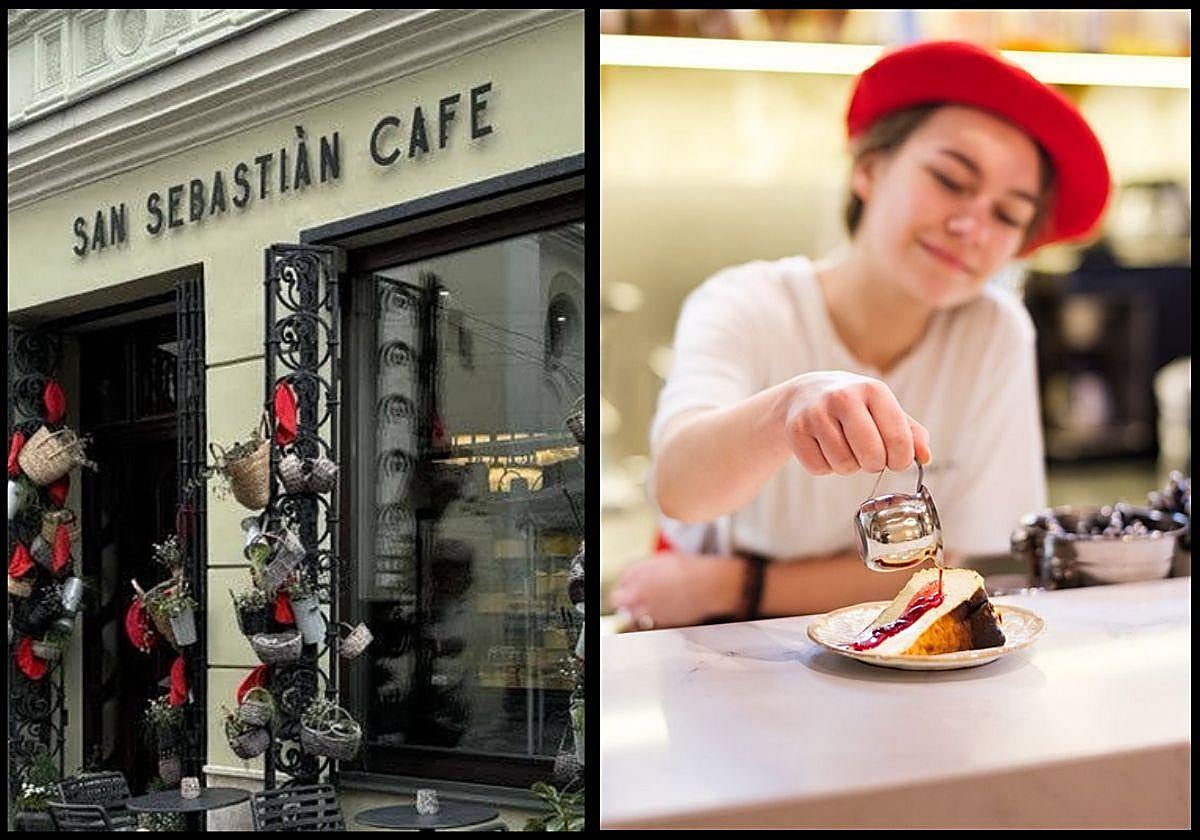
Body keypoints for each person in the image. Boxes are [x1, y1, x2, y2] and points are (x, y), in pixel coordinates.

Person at [611, 40, 1111, 630]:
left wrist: (733, 585)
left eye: (1007, 215)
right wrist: (786, 412)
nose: (971, 226)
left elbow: (972, 564)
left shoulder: (994, 331)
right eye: (950, 179)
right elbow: (677, 486)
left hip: (890, 640)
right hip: (728, 646)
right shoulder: (745, 303)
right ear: (869, 169)